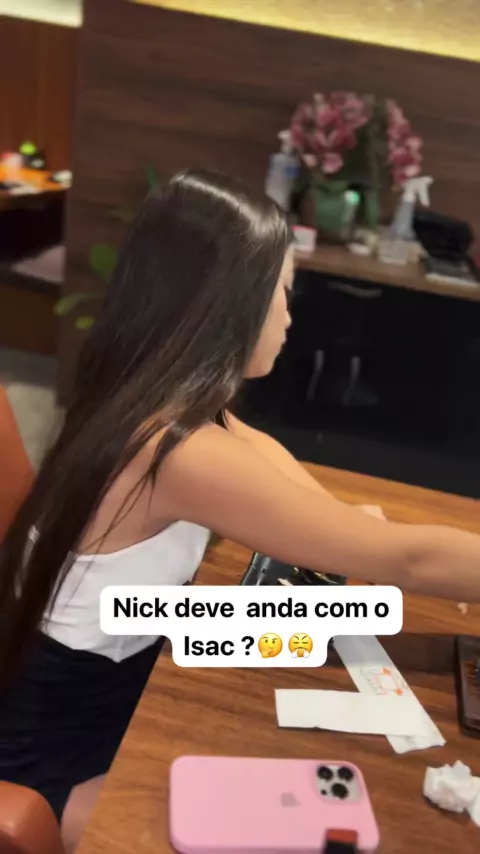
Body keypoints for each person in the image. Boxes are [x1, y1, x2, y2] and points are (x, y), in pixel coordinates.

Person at [1, 169, 479, 852]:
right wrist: (389, 550)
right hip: (64, 749)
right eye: (284, 293)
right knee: (334, 791)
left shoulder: (166, 400)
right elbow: (405, 557)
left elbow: (313, 503)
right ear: (232, 304)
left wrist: (364, 537)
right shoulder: (177, 450)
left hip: (133, 651)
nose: (289, 317)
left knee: (340, 653)